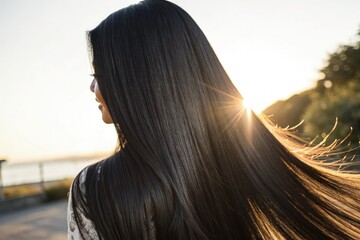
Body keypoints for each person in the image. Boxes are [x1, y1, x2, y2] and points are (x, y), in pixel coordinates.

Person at [67, 0, 360, 239]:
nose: (93, 88)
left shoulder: (94, 188)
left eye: (99, 75)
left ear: (137, 80)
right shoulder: (244, 162)